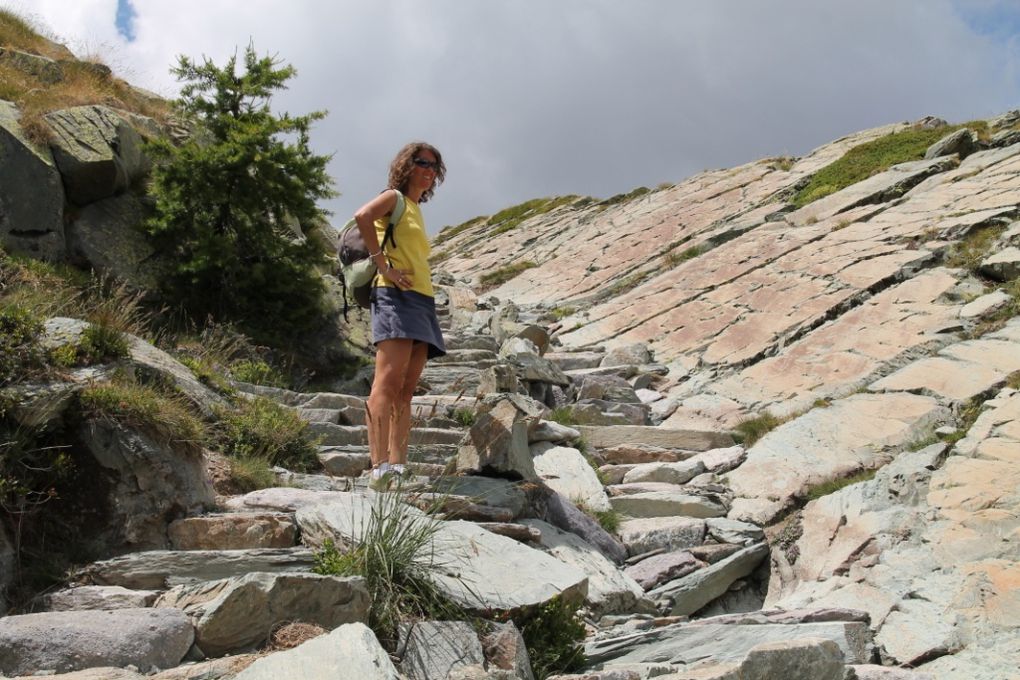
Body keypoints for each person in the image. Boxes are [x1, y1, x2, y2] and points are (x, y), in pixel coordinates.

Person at [353, 142, 447, 490]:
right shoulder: (393, 197)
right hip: (393, 296)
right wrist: (385, 267)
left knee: (407, 389)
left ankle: (398, 465)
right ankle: (377, 466)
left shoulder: (414, 209)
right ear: (406, 165)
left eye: (434, 166)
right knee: (387, 382)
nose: (428, 170)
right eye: (422, 162)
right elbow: (363, 216)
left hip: (422, 300)